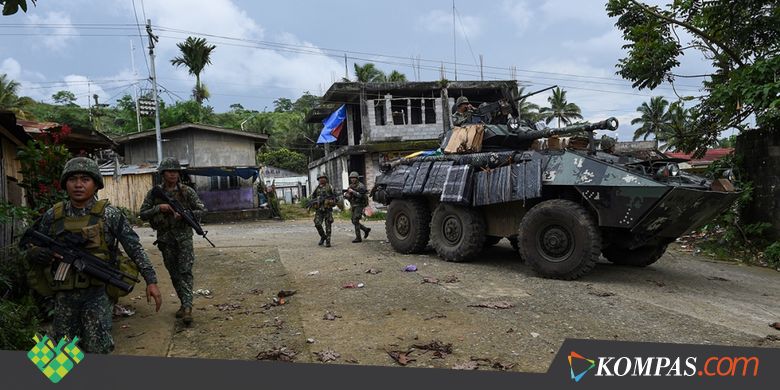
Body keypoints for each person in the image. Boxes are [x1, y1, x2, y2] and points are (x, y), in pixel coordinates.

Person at [24, 157, 162, 354]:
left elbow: (134, 248)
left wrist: (151, 280)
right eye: (73, 179)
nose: (78, 185)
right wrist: (34, 252)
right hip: (64, 294)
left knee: (97, 346)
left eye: (85, 179)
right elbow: (30, 243)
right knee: (61, 352)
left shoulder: (110, 214)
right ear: (65, 184)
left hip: (98, 292)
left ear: (96, 184)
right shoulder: (53, 215)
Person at [139, 157, 206, 326]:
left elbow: (201, 209)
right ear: (163, 174)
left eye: (176, 171)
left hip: (183, 238)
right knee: (174, 273)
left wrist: (185, 215)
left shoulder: (186, 191)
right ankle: (184, 303)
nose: (173, 174)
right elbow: (142, 213)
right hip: (165, 240)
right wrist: (159, 208)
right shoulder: (155, 193)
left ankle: (188, 307)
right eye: (170, 171)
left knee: (185, 271)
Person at [344, 171, 371, 243]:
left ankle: (358, 238)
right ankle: (365, 229)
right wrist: (347, 195)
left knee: (355, 220)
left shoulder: (361, 186)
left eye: (354, 178)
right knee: (353, 221)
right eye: (351, 178)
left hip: (359, 205)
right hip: (353, 205)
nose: (352, 179)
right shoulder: (351, 186)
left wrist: (353, 192)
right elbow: (347, 195)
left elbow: (361, 196)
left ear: (357, 178)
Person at [309, 174, 335, 247]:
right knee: (317, 223)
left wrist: (330, 202)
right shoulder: (316, 188)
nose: (321, 179)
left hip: (328, 210)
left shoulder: (330, 187)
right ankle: (323, 236)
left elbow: (335, 198)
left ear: (326, 179)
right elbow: (312, 198)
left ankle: (328, 241)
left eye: (323, 178)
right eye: (320, 178)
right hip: (319, 210)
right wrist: (314, 204)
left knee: (328, 226)